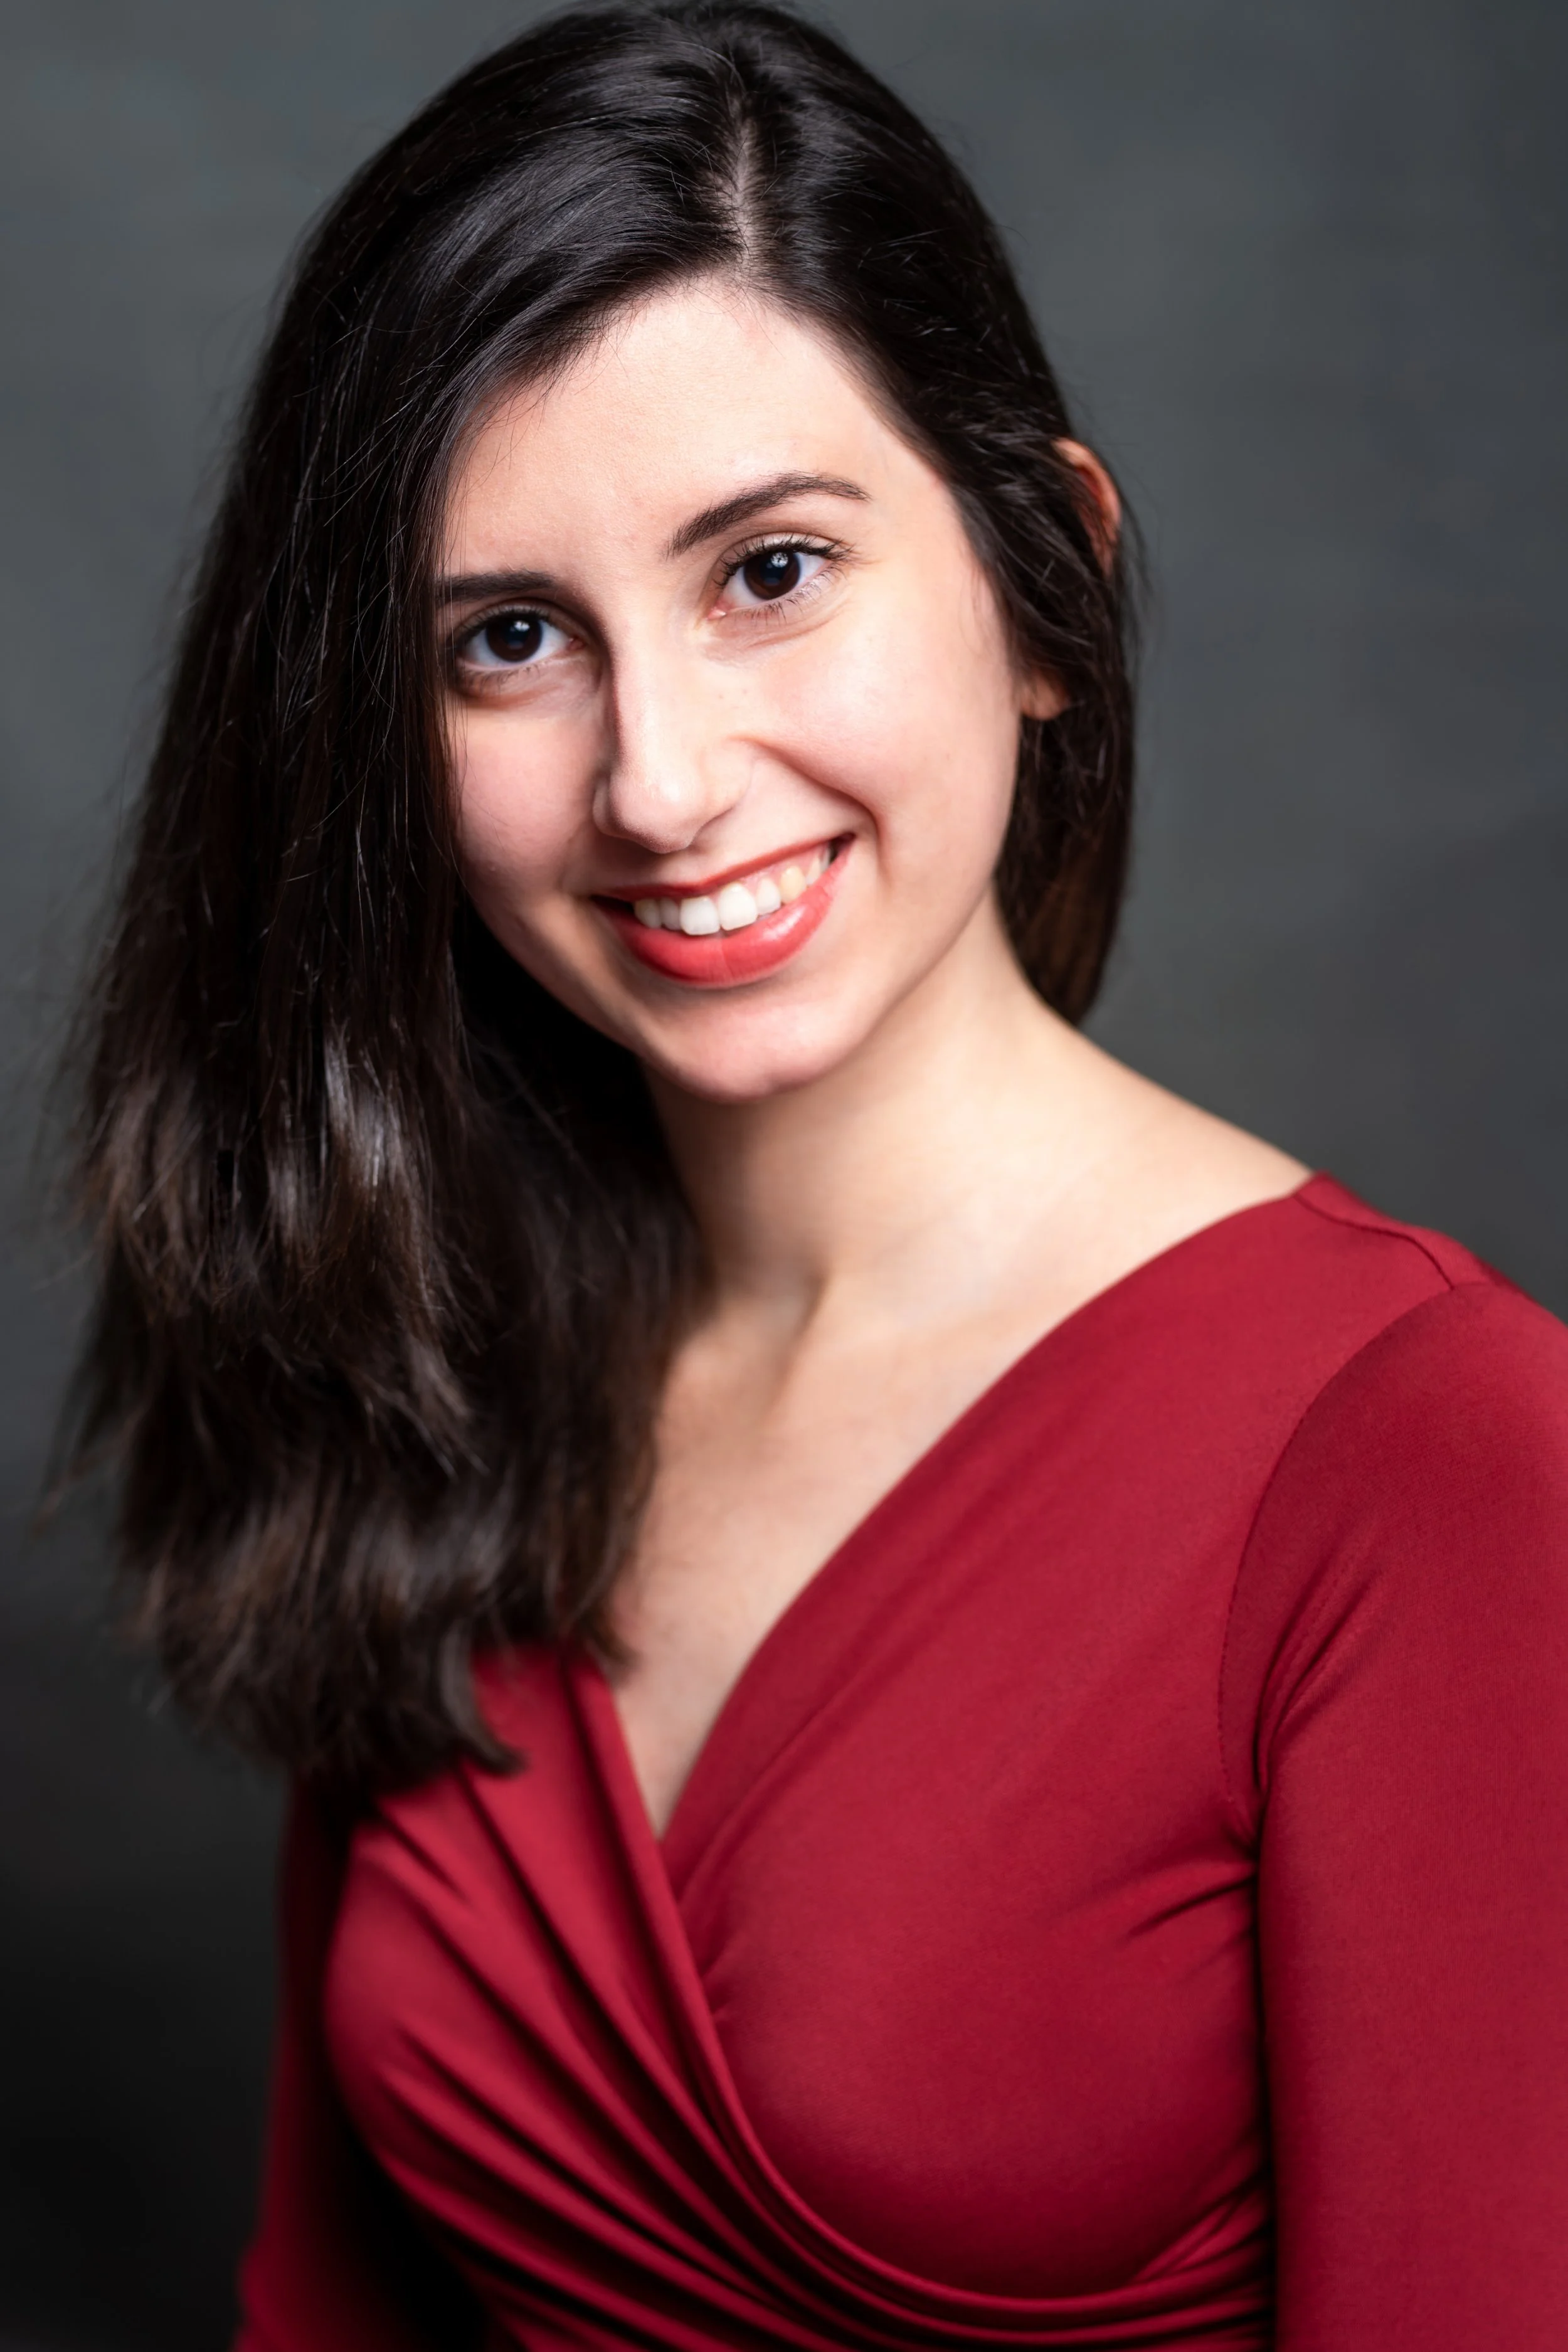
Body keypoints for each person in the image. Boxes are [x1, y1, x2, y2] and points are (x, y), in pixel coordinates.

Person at [65, 3, 1568, 2346]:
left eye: (768, 570)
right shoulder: (439, 1332)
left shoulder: (1433, 1453)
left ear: (1042, 586)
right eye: (509, 640)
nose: (658, 782)